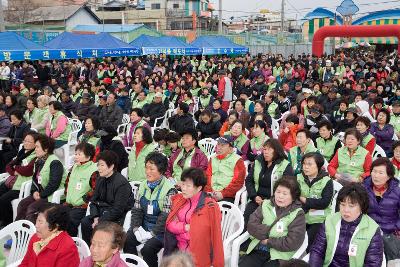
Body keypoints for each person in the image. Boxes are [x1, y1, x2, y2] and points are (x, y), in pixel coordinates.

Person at [124, 152, 178, 267]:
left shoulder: (170, 190)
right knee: (127, 240)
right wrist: (136, 228)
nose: (148, 172)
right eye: (146, 168)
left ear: (161, 170)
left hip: (161, 231)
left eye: (152, 169)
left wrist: (152, 233)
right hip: (143, 226)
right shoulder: (143, 185)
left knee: (147, 249)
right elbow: (137, 209)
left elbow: (165, 216)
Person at [309, 183, 384, 267]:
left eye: (351, 206)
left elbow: (373, 263)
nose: (346, 210)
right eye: (342, 204)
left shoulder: (372, 229)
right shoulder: (330, 220)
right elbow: (317, 251)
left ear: (362, 206)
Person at [240, 176, 306, 267]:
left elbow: (293, 242)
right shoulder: (266, 204)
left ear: (293, 197)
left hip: (280, 256)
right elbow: (252, 225)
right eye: (278, 192)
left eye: (285, 193)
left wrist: (268, 241)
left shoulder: (298, 214)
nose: (280, 196)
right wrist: (275, 233)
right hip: (259, 248)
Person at [164, 168, 224, 267]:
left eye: (188, 185)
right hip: (177, 252)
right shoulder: (179, 200)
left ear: (199, 188)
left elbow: (209, 235)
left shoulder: (210, 206)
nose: (183, 188)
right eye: (183, 184)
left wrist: (180, 230)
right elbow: (169, 225)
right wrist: (185, 227)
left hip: (197, 256)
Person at [81, 150, 133, 245]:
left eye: (102, 165)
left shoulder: (122, 184)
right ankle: (90, 250)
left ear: (112, 166)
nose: (99, 168)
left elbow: (118, 210)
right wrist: (96, 217)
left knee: (100, 228)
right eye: (98, 165)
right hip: (101, 214)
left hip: (115, 218)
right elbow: (93, 201)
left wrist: (100, 220)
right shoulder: (100, 179)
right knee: (85, 222)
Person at [15, 134, 66, 223]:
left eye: (37, 147)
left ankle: (33, 233)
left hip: (52, 195)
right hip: (41, 192)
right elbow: (35, 179)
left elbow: (54, 184)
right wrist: (34, 191)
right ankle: (18, 230)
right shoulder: (39, 161)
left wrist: (42, 195)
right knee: (22, 204)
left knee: (32, 208)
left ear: (46, 149)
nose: (35, 149)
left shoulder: (55, 162)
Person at [244, 139, 293, 225]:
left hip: (275, 202)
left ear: (276, 150)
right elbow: (249, 180)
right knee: (248, 218)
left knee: (265, 223)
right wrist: (254, 196)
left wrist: (270, 201)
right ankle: (246, 237)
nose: (266, 152)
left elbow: (288, 188)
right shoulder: (258, 162)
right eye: (265, 149)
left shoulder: (285, 165)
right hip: (256, 199)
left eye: (269, 149)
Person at [362, 157, 400, 261]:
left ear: (389, 176)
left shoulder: (397, 191)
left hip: (390, 232)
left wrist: (395, 228)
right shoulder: (364, 188)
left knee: (391, 256)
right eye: (374, 171)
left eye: (381, 173)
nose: (376, 175)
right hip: (367, 230)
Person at [0, 131, 38, 226]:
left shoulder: (35, 155)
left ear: (35, 144)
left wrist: (16, 168)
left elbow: (28, 170)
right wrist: (15, 171)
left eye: (29, 141)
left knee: (4, 199)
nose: (26, 143)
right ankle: (2, 216)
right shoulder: (22, 152)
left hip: (21, 185)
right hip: (13, 181)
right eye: (25, 140)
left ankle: (7, 222)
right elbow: (8, 165)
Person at [297, 152, 333, 250]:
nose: (305, 167)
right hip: (301, 215)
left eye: (309, 164)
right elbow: (294, 197)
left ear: (318, 166)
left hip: (319, 218)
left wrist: (305, 200)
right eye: (304, 163)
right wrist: (310, 205)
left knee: (309, 242)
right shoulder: (298, 178)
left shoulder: (326, 181)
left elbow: (324, 203)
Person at [64, 142, 98, 237]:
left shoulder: (94, 170)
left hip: (82, 207)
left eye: (79, 154)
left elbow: (95, 190)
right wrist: (67, 197)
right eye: (75, 154)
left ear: (88, 156)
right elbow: (67, 183)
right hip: (69, 204)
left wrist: (84, 200)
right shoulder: (75, 167)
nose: (76, 156)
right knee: (55, 215)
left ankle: (71, 243)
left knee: (70, 219)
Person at [205, 135, 246, 202]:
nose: (219, 148)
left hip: (227, 195)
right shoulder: (212, 158)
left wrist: (223, 193)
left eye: (222, 145)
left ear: (230, 149)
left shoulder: (237, 160)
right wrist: (209, 191)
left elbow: (238, 182)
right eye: (218, 144)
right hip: (211, 192)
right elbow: (207, 176)